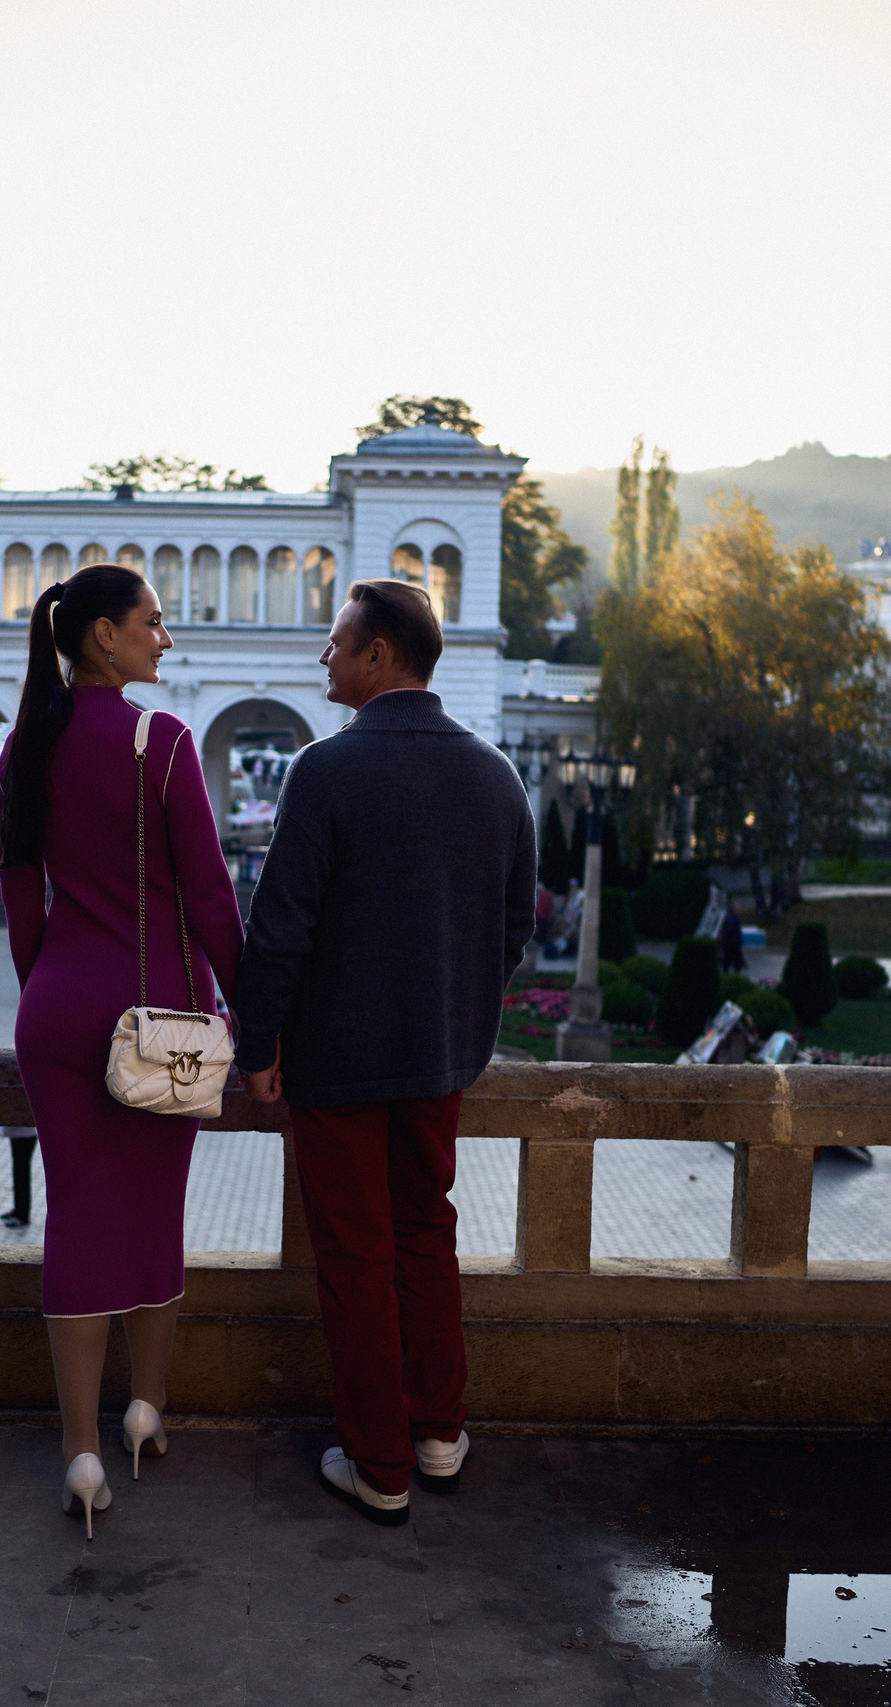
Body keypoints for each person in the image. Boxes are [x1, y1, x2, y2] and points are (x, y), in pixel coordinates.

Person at [234, 579, 535, 1528]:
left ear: (377, 656)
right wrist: (455, 1002)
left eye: (335, 643)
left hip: (336, 1063)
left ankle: (379, 1462)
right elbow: (515, 926)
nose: (324, 658)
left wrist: (259, 1045)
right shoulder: (496, 774)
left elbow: (279, 930)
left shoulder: (324, 770)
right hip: (440, 1054)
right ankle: (439, 1431)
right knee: (426, 1234)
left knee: (357, 1254)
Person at [0, 562, 243, 1535]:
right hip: (162, 1024)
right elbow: (214, 904)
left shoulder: (26, 744)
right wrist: (257, 1019)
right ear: (103, 635)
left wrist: (49, 996)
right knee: (152, 1214)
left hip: (56, 1012)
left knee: (74, 1221)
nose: (164, 639)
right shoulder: (164, 742)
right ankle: (147, 1408)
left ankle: (78, 1450)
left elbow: (22, 904)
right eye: (151, 622)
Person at [0, 1124, 38, 1228]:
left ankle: (22, 1215)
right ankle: (18, 1211)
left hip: (24, 1136)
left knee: (21, 1175)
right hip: (20, 1135)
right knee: (19, 1173)